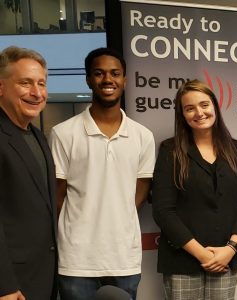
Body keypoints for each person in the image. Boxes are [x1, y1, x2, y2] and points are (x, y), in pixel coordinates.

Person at [49, 47, 155, 300]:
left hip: (123, 258)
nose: (108, 80)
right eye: (99, 73)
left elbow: (141, 189)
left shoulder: (143, 136)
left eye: (115, 73)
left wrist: (116, 215)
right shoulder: (63, 133)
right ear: (88, 79)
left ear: (125, 80)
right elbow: (57, 195)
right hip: (76, 260)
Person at [152, 79, 237, 300]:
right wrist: (202, 254)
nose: (199, 112)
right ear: (182, 115)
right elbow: (163, 211)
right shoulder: (170, 151)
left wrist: (230, 249)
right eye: (190, 108)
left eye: (204, 105)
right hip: (183, 259)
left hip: (226, 258)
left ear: (215, 106)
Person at [0, 46, 57, 300]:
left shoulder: (37, 135)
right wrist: (5, 286)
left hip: (41, 276)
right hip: (12, 284)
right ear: (1, 87)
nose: (36, 93)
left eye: (41, 83)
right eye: (25, 83)